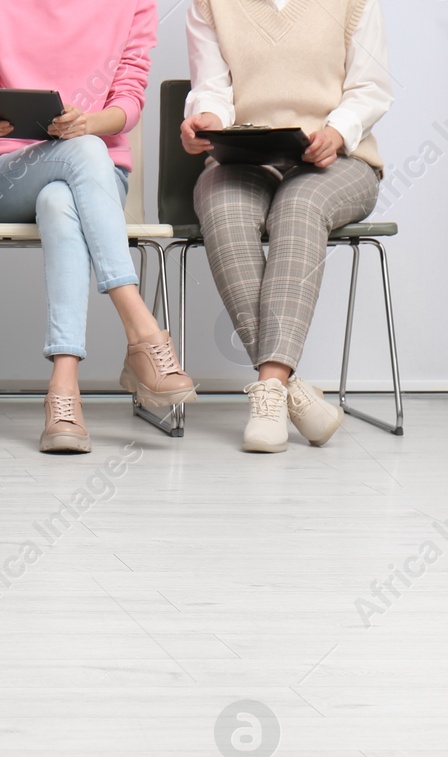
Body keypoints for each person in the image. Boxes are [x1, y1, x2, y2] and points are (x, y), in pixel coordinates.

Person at [0, 0, 195, 455]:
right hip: (4, 177)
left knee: (60, 198)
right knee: (86, 152)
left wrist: (87, 123)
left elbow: (129, 98)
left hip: (96, 180)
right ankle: (142, 331)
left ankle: (63, 391)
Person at [181, 0, 391, 453]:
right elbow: (212, 88)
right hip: (245, 154)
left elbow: (371, 87)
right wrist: (207, 121)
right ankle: (287, 388)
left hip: (341, 159)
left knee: (299, 204)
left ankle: (269, 389)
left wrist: (337, 131)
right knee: (220, 204)